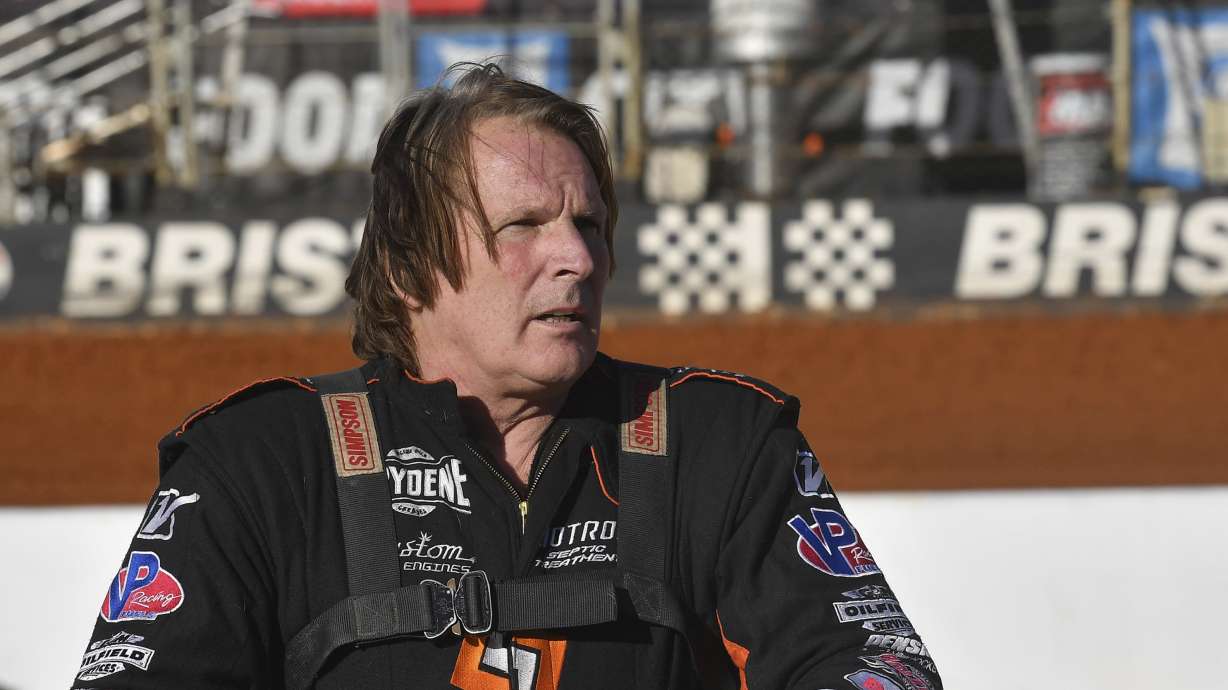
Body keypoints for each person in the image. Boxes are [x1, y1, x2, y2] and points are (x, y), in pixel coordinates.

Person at [74, 63, 942, 690]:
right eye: (524, 224)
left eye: (591, 224)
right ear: (411, 267)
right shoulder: (257, 466)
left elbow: (876, 665)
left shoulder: (723, 444)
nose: (577, 257)